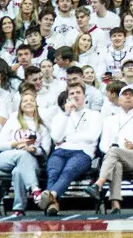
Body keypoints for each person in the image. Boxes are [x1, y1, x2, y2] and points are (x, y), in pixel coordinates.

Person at [93, 85, 133, 210]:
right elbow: (103, 145)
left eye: (131, 95)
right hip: (115, 158)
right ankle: (115, 204)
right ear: (119, 100)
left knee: (114, 151)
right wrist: (112, 150)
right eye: (125, 94)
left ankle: (99, 184)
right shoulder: (110, 120)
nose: (128, 97)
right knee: (116, 163)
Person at [42, 82, 100, 214]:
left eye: (78, 93)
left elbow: (92, 136)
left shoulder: (94, 115)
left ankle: (51, 196)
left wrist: (68, 138)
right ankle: (53, 204)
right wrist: (66, 115)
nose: (75, 96)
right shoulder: (60, 116)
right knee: (53, 172)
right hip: (61, 151)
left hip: (83, 152)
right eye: (72, 93)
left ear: (84, 96)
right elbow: (56, 138)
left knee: (67, 172)